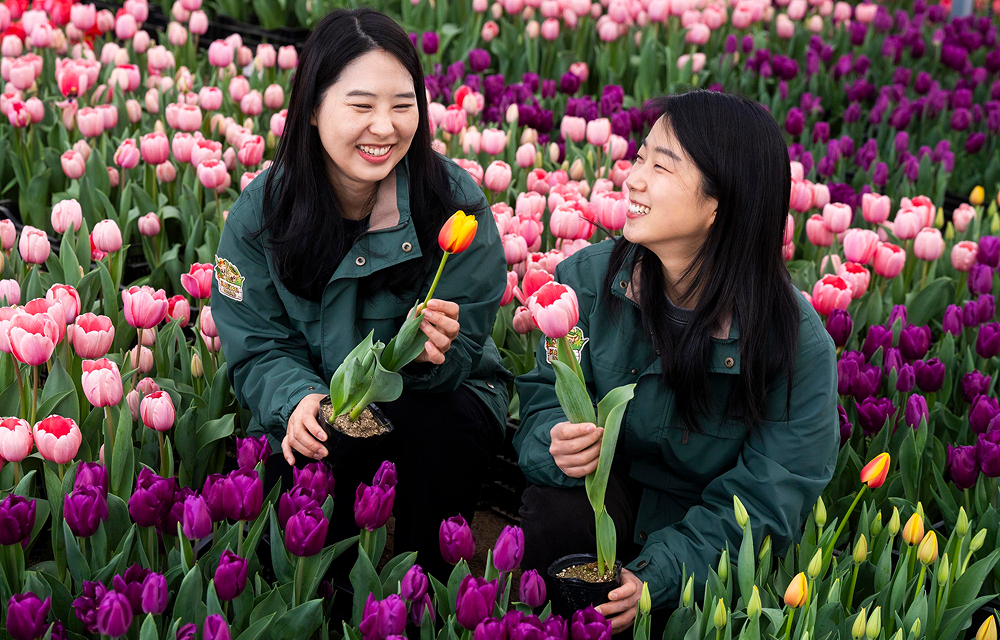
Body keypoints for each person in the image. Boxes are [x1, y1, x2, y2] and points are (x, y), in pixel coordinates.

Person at [513, 91, 839, 631]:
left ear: (720, 204)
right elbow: (542, 395)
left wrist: (659, 574)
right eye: (639, 157)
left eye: (660, 166)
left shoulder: (794, 344)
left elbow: (766, 501)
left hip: (707, 541)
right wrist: (554, 439)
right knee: (555, 510)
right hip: (605, 503)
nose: (632, 177)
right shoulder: (587, 286)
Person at [211, 8, 510, 579]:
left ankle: (428, 590)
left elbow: (467, 335)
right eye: (361, 106)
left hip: (441, 397)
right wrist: (295, 399)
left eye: (403, 106)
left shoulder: (449, 203)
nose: (385, 127)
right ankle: (325, 600)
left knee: (438, 430)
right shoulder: (261, 216)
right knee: (315, 462)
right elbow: (258, 344)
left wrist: (432, 355)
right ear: (312, 107)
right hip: (313, 398)